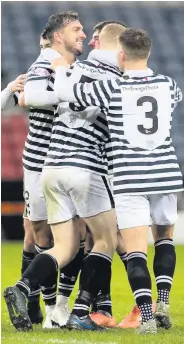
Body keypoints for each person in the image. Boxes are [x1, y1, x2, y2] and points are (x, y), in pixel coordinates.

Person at [52, 28, 183, 334]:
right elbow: (170, 107)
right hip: (165, 172)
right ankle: (163, 304)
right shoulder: (169, 84)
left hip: (129, 176)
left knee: (135, 250)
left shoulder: (112, 85)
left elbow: (70, 94)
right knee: (164, 239)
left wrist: (60, 71)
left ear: (121, 55)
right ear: (148, 53)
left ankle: (148, 318)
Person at [3, 12, 87, 331]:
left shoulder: (68, 67)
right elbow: (29, 97)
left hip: (61, 162)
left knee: (62, 235)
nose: (82, 34)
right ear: (56, 37)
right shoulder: (44, 65)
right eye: (75, 30)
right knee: (47, 234)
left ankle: (53, 307)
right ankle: (51, 306)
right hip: (42, 163)